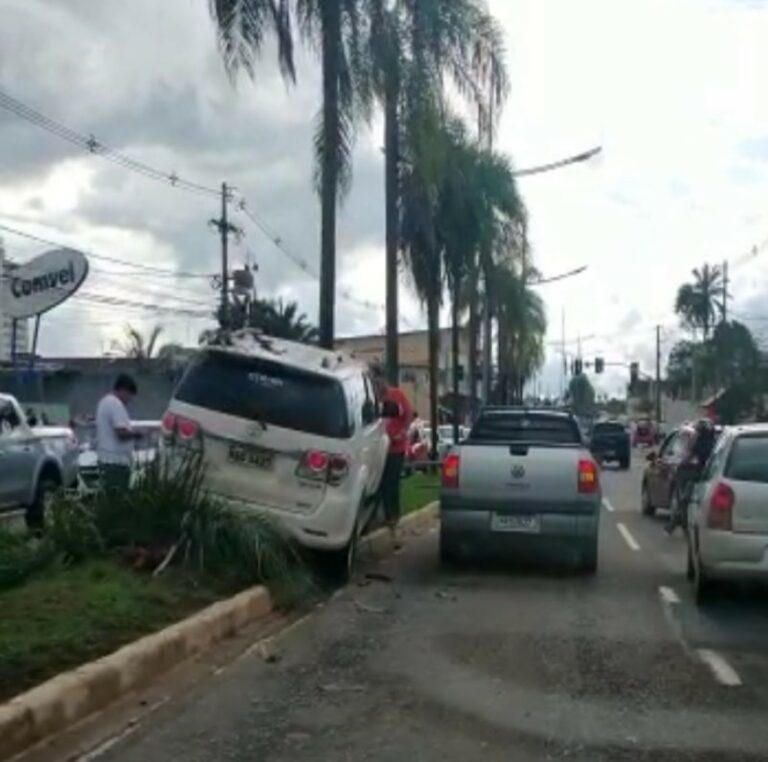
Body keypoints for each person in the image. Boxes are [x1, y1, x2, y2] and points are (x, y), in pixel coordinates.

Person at [372, 366, 414, 539]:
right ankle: (379, 517)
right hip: (376, 448)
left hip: (395, 448)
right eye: (373, 380)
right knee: (378, 483)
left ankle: (393, 517)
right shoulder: (372, 398)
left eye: (378, 379)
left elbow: (409, 414)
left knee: (392, 483)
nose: (376, 383)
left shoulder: (396, 395)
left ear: (383, 379)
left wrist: (402, 432)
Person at [666, 418, 717, 535]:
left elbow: (689, 456)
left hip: (698, 474)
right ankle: (676, 525)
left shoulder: (703, 443)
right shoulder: (714, 444)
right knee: (684, 500)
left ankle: (674, 525)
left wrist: (681, 464)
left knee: (684, 500)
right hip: (702, 474)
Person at [96, 374, 141, 492]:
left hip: (106, 460)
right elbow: (121, 433)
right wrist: (138, 434)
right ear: (123, 390)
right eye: (129, 395)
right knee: (118, 499)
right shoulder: (115, 404)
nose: (129, 400)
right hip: (116, 462)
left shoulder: (104, 402)